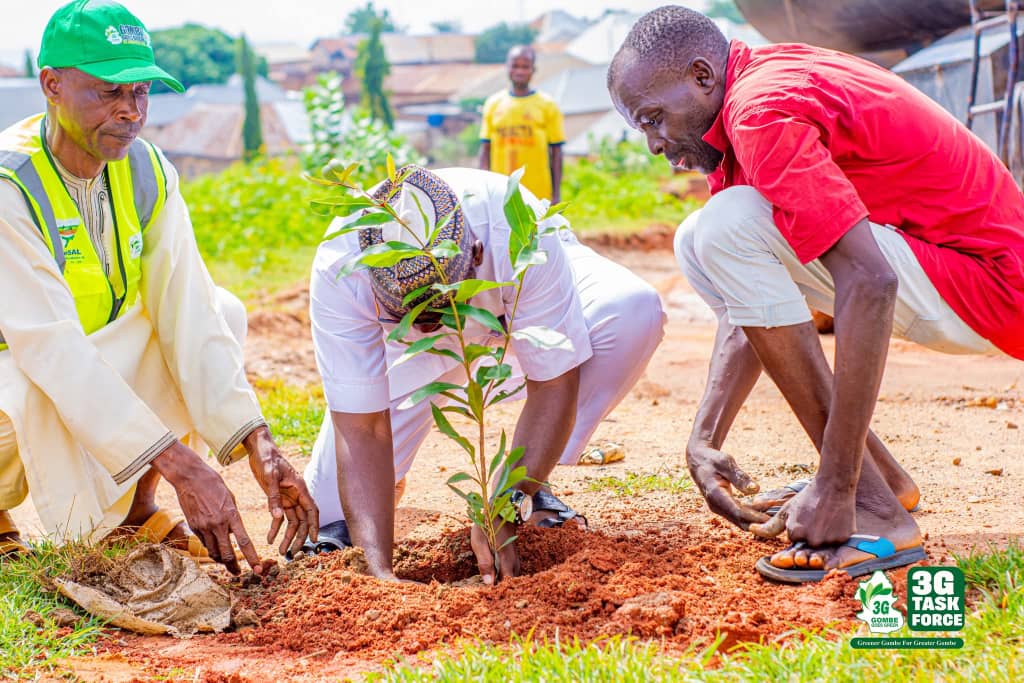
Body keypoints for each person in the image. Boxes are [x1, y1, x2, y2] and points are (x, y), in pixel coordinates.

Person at [607, 6, 1024, 582]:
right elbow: (754, 301)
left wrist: (834, 486)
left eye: (654, 118)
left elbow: (870, 281)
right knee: (700, 238)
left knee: (724, 226)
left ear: (703, 77)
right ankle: (886, 485)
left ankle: (873, 508)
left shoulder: (761, 111)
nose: (654, 142)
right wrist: (704, 439)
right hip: (967, 276)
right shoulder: (744, 99)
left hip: (993, 290)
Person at [0, 0, 318, 572]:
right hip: (18, 377)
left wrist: (258, 445)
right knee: (27, 385)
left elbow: (188, 308)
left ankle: (135, 510)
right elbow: (50, 348)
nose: (130, 112)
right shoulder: (9, 184)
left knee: (221, 310)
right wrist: (183, 465)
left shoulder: (144, 168)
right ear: (51, 85)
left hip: (73, 364)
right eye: (108, 92)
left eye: (140, 93)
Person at [303, 165, 665, 583]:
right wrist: (381, 572)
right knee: (331, 508)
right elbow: (362, 427)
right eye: (409, 314)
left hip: (517, 318)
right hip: (410, 358)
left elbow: (555, 383)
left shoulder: (517, 228)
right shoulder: (342, 267)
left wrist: (504, 504)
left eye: (437, 309)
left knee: (630, 311)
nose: (428, 325)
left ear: (475, 252)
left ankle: (530, 485)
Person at [480, 46, 565, 204]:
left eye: (525, 66)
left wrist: (556, 194)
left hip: (538, 193)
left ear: (533, 69)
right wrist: (483, 189)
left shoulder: (547, 105)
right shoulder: (493, 104)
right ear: (508, 68)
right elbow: (486, 150)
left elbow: (556, 153)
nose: (520, 71)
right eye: (515, 66)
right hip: (500, 192)